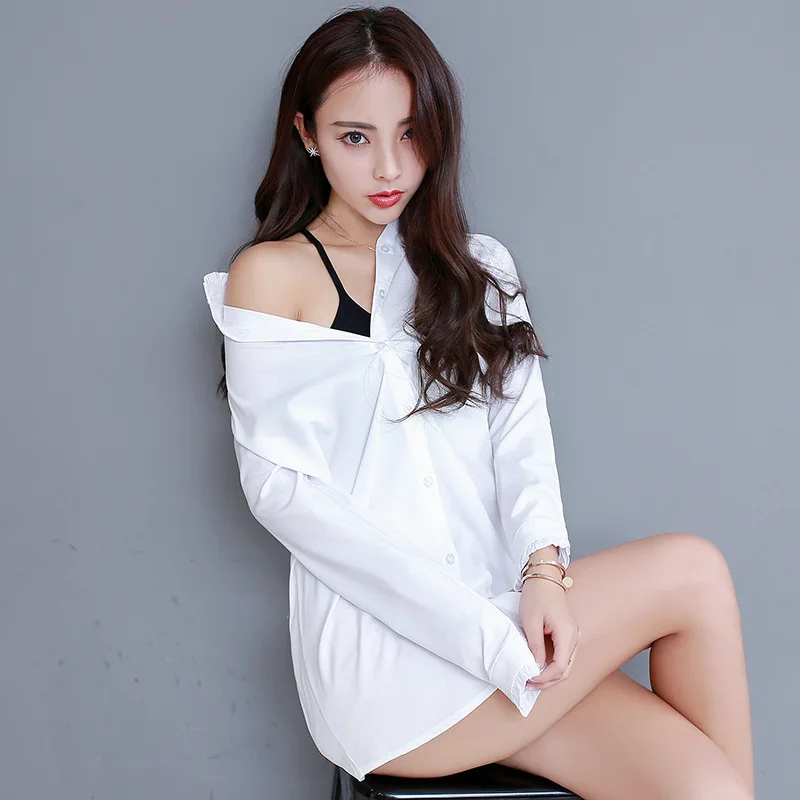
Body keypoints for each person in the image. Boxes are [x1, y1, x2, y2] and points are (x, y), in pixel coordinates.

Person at [203, 6, 755, 798]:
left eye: (411, 133)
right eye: (356, 137)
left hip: (510, 624)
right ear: (308, 134)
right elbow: (286, 499)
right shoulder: (271, 276)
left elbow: (521, 447)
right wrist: (484, 637)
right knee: (692, 571)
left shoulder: (480, 270)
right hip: (391, 669)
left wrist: (543, 574)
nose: (389, 166)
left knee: (712, 790)